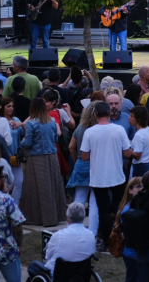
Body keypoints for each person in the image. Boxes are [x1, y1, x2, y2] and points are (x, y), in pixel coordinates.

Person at [81, 101, 133, 249]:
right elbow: (127, 153)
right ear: (109, 113)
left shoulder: (89, 132)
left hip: (98, 177)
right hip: (117, 175)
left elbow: (84, 156)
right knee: (120, 207)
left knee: (102, 210)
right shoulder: (119, 130)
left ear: (95, 114)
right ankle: (123, 237)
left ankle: (107, 241)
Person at [19, 98, 66, 227]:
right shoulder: (51, 121)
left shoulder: (31, 123)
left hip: (37, 158)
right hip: (52, 157)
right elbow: (56, 137)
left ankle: (37, 217)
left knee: (35, 189)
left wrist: (20, 142)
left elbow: (28, 142)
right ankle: (55, 216)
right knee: (52, 187)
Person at [67, 103, 100, 240]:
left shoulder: (80, 128)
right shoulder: (99, 129)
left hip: (81, 163)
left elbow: (71, 147)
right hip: (97, 166)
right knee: (94, 203)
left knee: (79, 200)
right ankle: (92, 234)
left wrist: (77, 162)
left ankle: (72, 231)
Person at [43, 202, 97, 276]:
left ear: (67, 218)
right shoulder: (91, 236)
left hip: (60, 275)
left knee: (33, 267)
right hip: (81, 275)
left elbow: (48, 257)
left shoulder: (58, 236)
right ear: (83, 217)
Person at [115, 177, 144, 282]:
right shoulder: (128, 211)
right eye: (139, 186)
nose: (142, 189)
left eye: (144, 186)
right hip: (132, 253)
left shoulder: (140, 206)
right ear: (130, 190)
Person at [0, 97, 25, 203]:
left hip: (15, 155)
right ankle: (5, 205)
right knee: (5, 183)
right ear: (2, 107)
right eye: (8, 106)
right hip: (3, 156)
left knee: (19, 182)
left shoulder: (16, 119)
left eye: (12, 106)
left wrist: (21, 124)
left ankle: (14, 206)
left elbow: (24, 135)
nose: (11, 108)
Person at [130, 106, 149, 177]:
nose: (129, 118)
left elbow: (137, 156)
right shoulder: (148, 129)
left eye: (131, 116)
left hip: (141, 167)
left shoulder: (138, 135)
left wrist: (127, 150)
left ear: (138, 119)